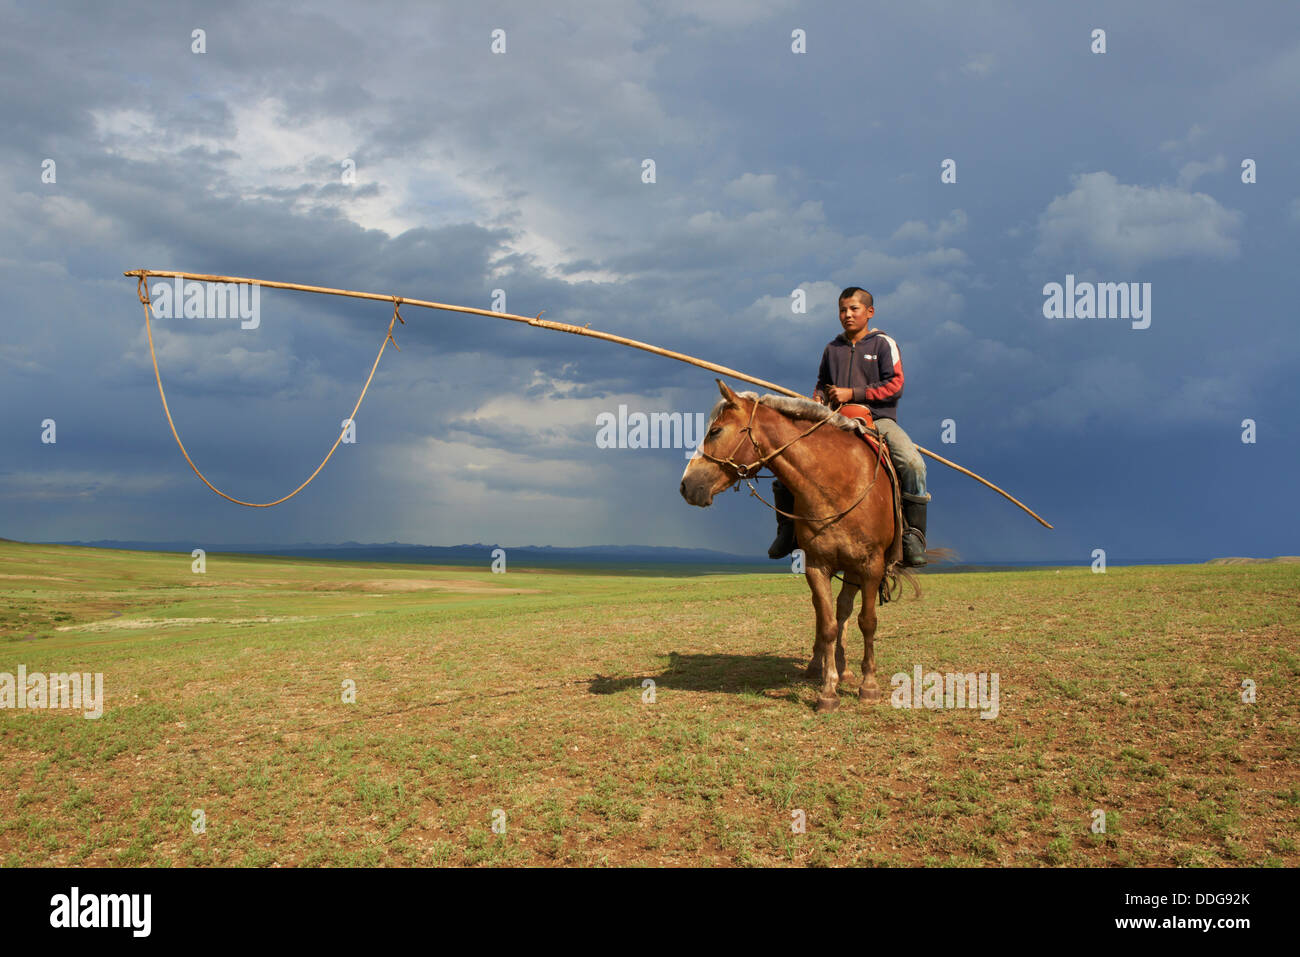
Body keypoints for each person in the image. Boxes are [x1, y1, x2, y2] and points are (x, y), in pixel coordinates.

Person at [768, 286, 931, 566]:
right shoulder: (832, 349)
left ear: (869, 312)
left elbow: (895, 384)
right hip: (835, 420)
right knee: (790, 458)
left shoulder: (883, 344)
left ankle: (912, 536)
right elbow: (822, 383)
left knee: (913, 463)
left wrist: (852, 393)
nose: (847, 315)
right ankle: (788, 529)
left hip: (877, 419)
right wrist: (817, 399)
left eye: (854, 309)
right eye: (842, 310)